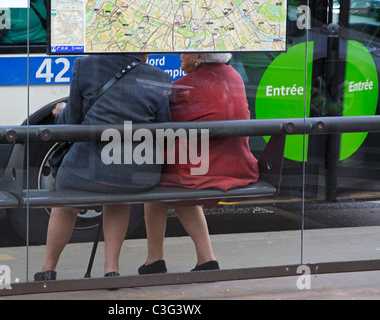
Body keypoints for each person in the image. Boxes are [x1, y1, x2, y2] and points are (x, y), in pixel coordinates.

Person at [35, 54, 171, 281]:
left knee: (65, 204)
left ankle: (47, 268)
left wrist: (60, 111)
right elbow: (164, 128)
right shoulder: (159, 76)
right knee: (118, 200)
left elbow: (69, 123)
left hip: (84, 170)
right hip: (134, 173)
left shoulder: (85, 65)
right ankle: (111, 269)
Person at [139, 53, 260, 274]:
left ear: (199, 56)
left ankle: (155, 260)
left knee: (156, 184)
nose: (179, 55)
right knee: (177, 180)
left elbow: (160, 124)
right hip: (238, 164)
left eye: (185, 51)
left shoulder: (185, 86)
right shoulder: (234, 76)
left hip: (207, 168)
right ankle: (206, 259)